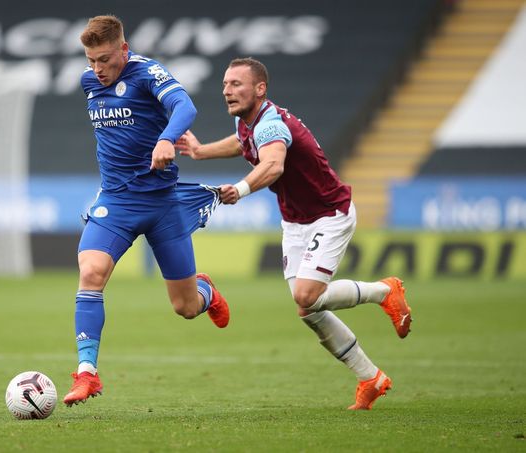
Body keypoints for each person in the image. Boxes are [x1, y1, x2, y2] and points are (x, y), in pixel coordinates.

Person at [176, 57, 412, 410]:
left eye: (236, 84)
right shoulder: (249, 122)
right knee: (309, 309)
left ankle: (384, 291)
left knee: (305, 295)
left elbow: (273, 163)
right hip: (295, 221)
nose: (227, 90)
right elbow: (243, 143)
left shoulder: (271, 124)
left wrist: (240, 190)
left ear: (260, 89)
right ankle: (371, 378)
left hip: (328, 214)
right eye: (225, 84)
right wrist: (200, 151)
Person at [63, 15, 229, 407]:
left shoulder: (147, 72)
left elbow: (184, 107)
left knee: (185, 307)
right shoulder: (89, 83)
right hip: (116, 203)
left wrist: (167, 139)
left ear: (124, 48)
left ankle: (206, 290)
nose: (98, 69)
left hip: (162, 204)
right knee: (90, 272)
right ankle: (87, 373)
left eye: (105, 59)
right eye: (91, 60)